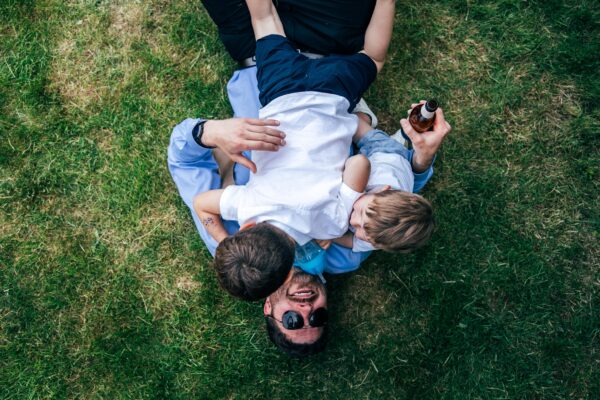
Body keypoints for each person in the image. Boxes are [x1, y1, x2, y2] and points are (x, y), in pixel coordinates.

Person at [192, 0, 392, 300]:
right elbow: (202, 204)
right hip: (281, 91)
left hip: (333, 93)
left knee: (373, 58)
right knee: (264, 21)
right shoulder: (249, 208)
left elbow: (359, 163)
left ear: (288, 271)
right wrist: (222, 240)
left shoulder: (331, 224)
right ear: (245, 227)